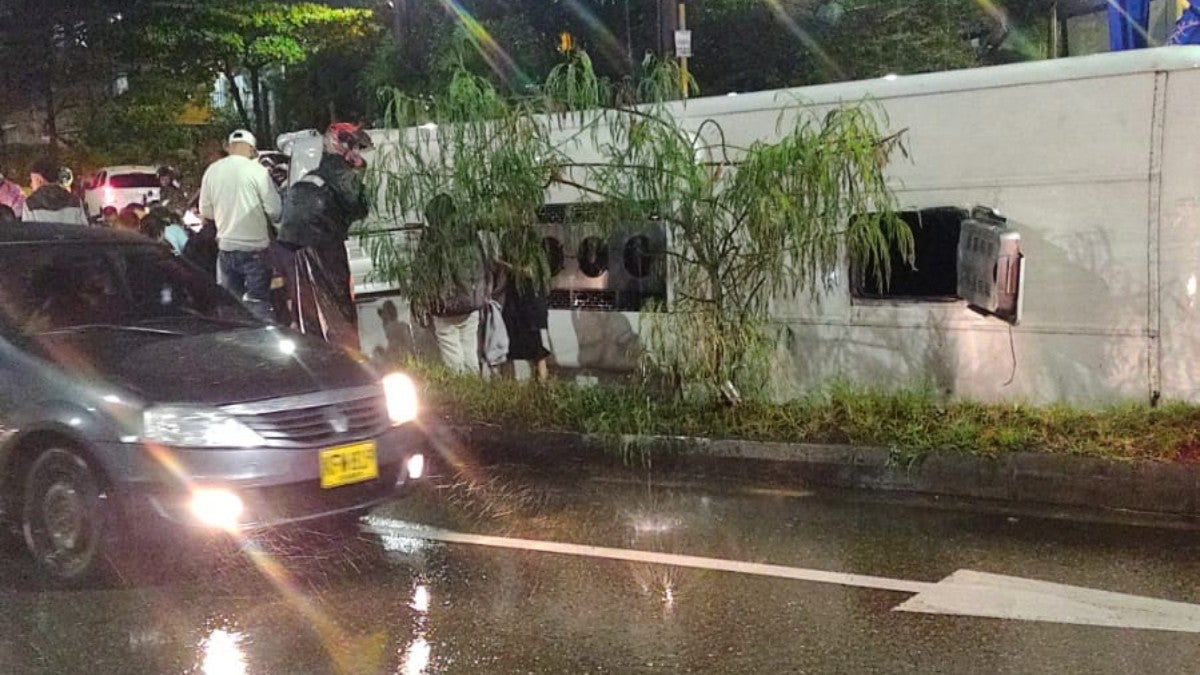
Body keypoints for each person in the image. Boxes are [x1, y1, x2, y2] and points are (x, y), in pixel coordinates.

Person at [278, 122, 372, 349]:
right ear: (343, 145)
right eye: (356, 147)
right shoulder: (340, 172)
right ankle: (347, 359)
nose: (358, 152)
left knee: (308, 309)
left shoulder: (314, 174)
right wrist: (360, 172)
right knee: (338, 303)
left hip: (293, 246)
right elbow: (358, 206)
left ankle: (315, 353)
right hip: (323, 243)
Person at [199, 129, 282, 322]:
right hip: (256, 251)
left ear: (229, 147)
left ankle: (237, 348)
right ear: (252, 149)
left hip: (226, 250)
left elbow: (206, 211)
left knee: (232, 309)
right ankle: (265, 348)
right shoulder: (257, 171)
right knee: (258, 304)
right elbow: (275, 210)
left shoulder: (212, 171)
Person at [415, 195, 492, 375]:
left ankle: (462, 394)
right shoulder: (470, 233)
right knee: (469, 348)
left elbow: (423, 273)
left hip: (445, 306)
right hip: (472, 302)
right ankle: (476, 391)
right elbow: (483, 263)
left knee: (452, 352)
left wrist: (423, 302)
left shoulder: (432, 238)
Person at [22, 157, 86, 224]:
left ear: (39, 180)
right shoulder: (76, 202)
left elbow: (28, 232)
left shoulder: (29, 204)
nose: (31, 185)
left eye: (32, 180)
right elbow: (84, 231)